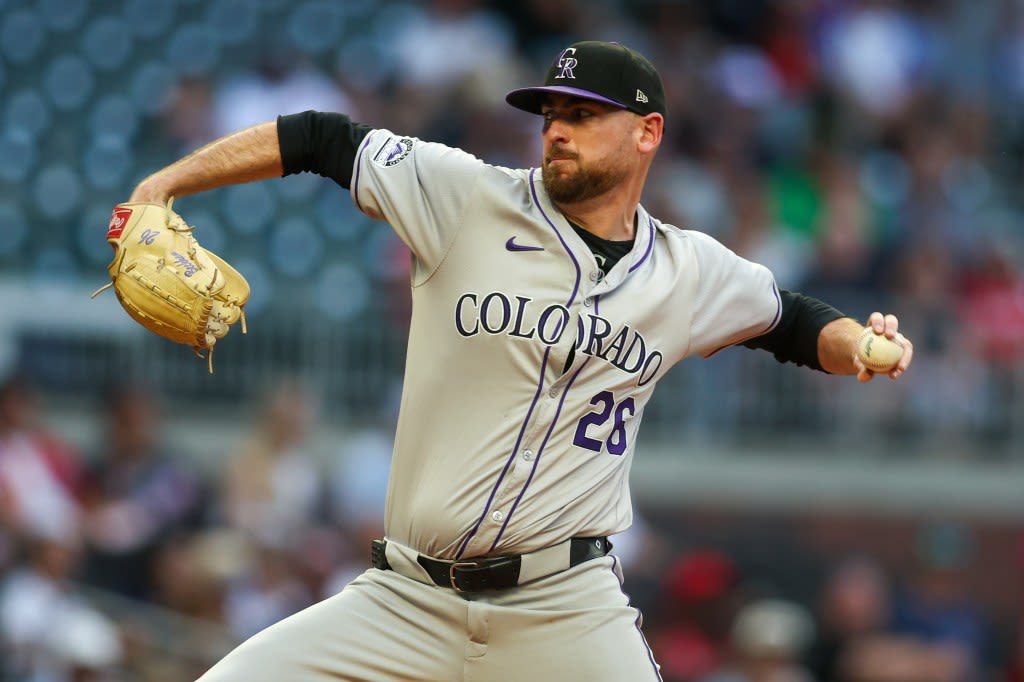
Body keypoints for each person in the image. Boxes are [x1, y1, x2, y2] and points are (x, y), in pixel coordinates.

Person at [123, 40, 914, 682]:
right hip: (404, 601)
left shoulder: (690, 270)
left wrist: (866, 348)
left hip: (563, 608)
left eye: (583, 114)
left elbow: (794, 321)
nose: (557, 129)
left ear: (648, 133)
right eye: (550, 114)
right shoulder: (466, 197)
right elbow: (321, 138)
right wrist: (166, 183)